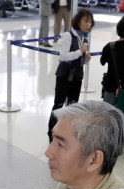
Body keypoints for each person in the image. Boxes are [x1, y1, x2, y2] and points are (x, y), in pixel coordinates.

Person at [47, 9, 94, 141]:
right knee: (58, 105)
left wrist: (85, 58)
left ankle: (66, 133)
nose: (88, 24)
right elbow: (63, 57)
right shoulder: (68, 35)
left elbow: (79, 58)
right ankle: (51, 134)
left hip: (77, 76)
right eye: (86, 21)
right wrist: (80, 52)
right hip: (64, 76)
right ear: (78, 21)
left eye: (90, 22)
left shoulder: (84, 37)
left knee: (73, 106)